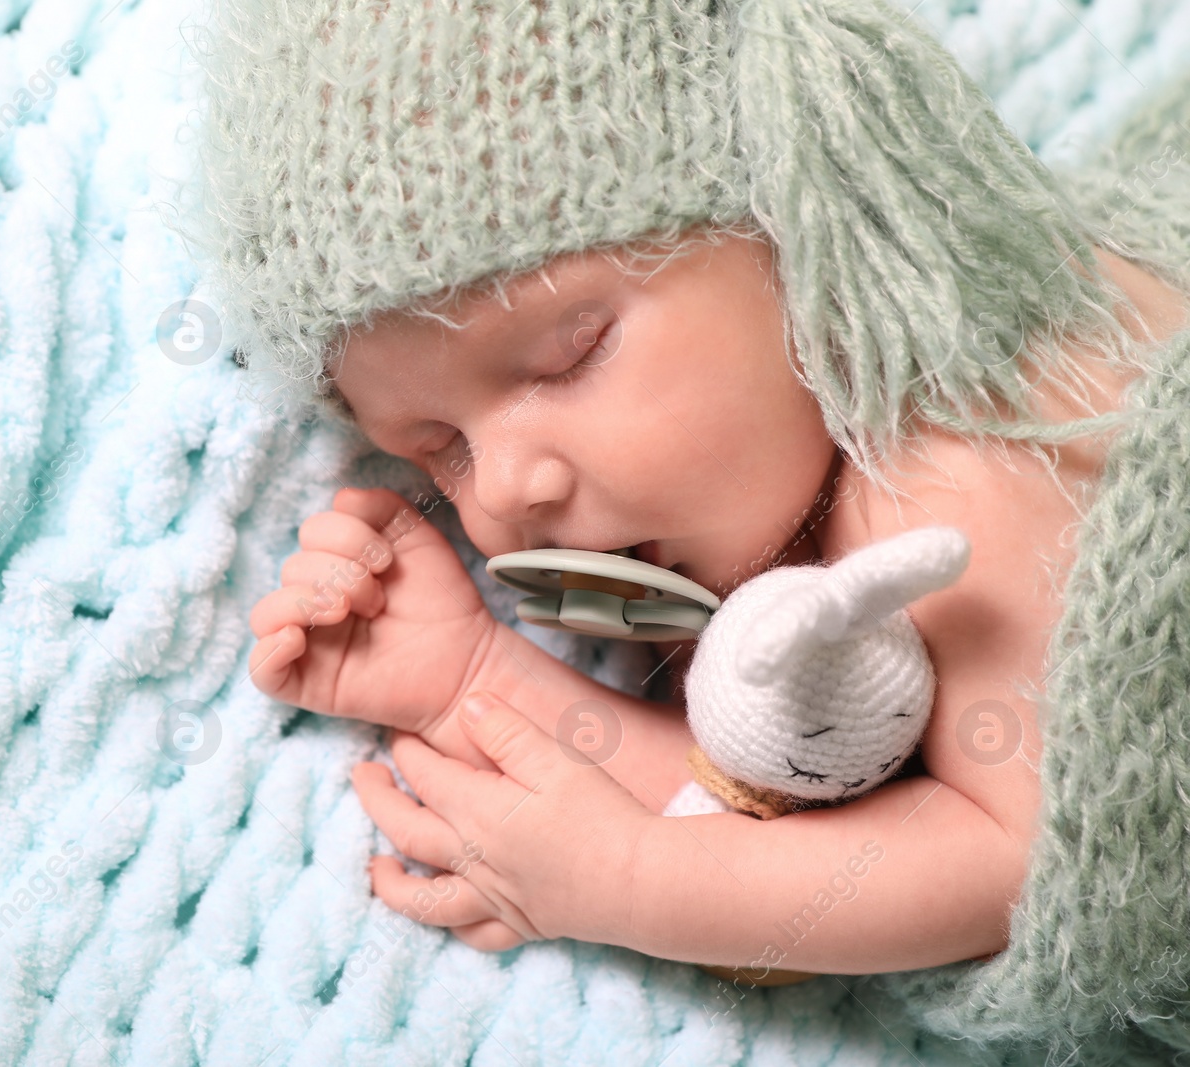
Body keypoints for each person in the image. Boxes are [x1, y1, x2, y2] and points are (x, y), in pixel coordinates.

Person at [173, 0, 1190, 1057]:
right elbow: (782, 822)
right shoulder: (782, 526)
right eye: (437, 444)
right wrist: (475, 676)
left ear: (789, 211)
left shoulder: (971, 443)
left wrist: (621, 880)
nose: (508, 490)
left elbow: (1002, 862)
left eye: (569, 355)